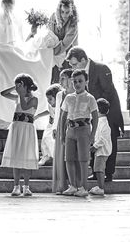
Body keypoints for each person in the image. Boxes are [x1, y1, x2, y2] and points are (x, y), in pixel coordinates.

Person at [66, 46, 124, 182]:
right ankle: (96, 171)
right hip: (92, 114)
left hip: (106, 111)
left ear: (83, 59)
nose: (73, 68)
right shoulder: (80, 74)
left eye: (75, 64)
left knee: (108, 141)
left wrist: (93, 106)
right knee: (94, 141)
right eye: (71, 65)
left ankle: (108, 173)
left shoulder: (101, 68)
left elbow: (107, 92)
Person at [60, 69, 98, 197]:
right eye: (75, 81)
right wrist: (62, 134)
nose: (77, 84)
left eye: (80, 81)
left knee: (83, 159)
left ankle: (83, 187)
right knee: (69, 159)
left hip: (84, 130)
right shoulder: (68, 98)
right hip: (70, 130)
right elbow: (63, 117)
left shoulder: (90, 98)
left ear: (86, 81)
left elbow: (95, 117)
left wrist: (92, 135)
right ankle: (72, 186)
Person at [0, 73, 40, 196]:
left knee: (26, 157)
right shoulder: (18, 96)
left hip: (27, 130)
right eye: (17, 85)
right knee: (16, 157)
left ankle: (26, 187)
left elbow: (24, 106)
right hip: (17, 128)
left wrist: (21, 94)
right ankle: (16, 186)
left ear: (26, 86)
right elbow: (3, 93)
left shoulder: (34, 99)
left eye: (20, 85)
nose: (18, 88)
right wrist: (15, 88)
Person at [47, 0, 79, 82]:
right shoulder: (53, 17)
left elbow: (65, 44)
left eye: (67, 12)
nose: (64, 15)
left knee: (66, 80)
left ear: (71, 11)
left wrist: (52, 52)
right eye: (62, 12)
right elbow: (49, 33)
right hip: (54, 50)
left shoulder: (73, 23)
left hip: (68, 53)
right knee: (53, 79)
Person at [52, 68, 73, 194]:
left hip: (74, 123)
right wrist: (55, 127)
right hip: (62, 124)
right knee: (61, 154)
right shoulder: (60, 94)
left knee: (72, 155)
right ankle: (62, 185)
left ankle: (74, 183)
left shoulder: (78, 92)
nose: (60, 81)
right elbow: (58, 113)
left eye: (63, 78)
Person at [89, 98, 112, 196]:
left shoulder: (103, 123)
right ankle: (99, 186)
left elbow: (103, 138)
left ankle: (101, 187)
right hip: (100, 150)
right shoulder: (99, 121)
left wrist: (95, 146)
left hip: (102, 150)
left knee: (99, 169)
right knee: (97, 168)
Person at [37, 84, 62, 166]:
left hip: (57, 125)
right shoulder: (50, 105)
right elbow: (48, 111)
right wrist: (38, 116)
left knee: (52, 140)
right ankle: (45, 155)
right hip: (50, 124)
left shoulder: (60, 106)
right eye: (47, 99)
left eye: (50, 99)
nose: (48, 101)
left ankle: (54, 157)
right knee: (45, 139)